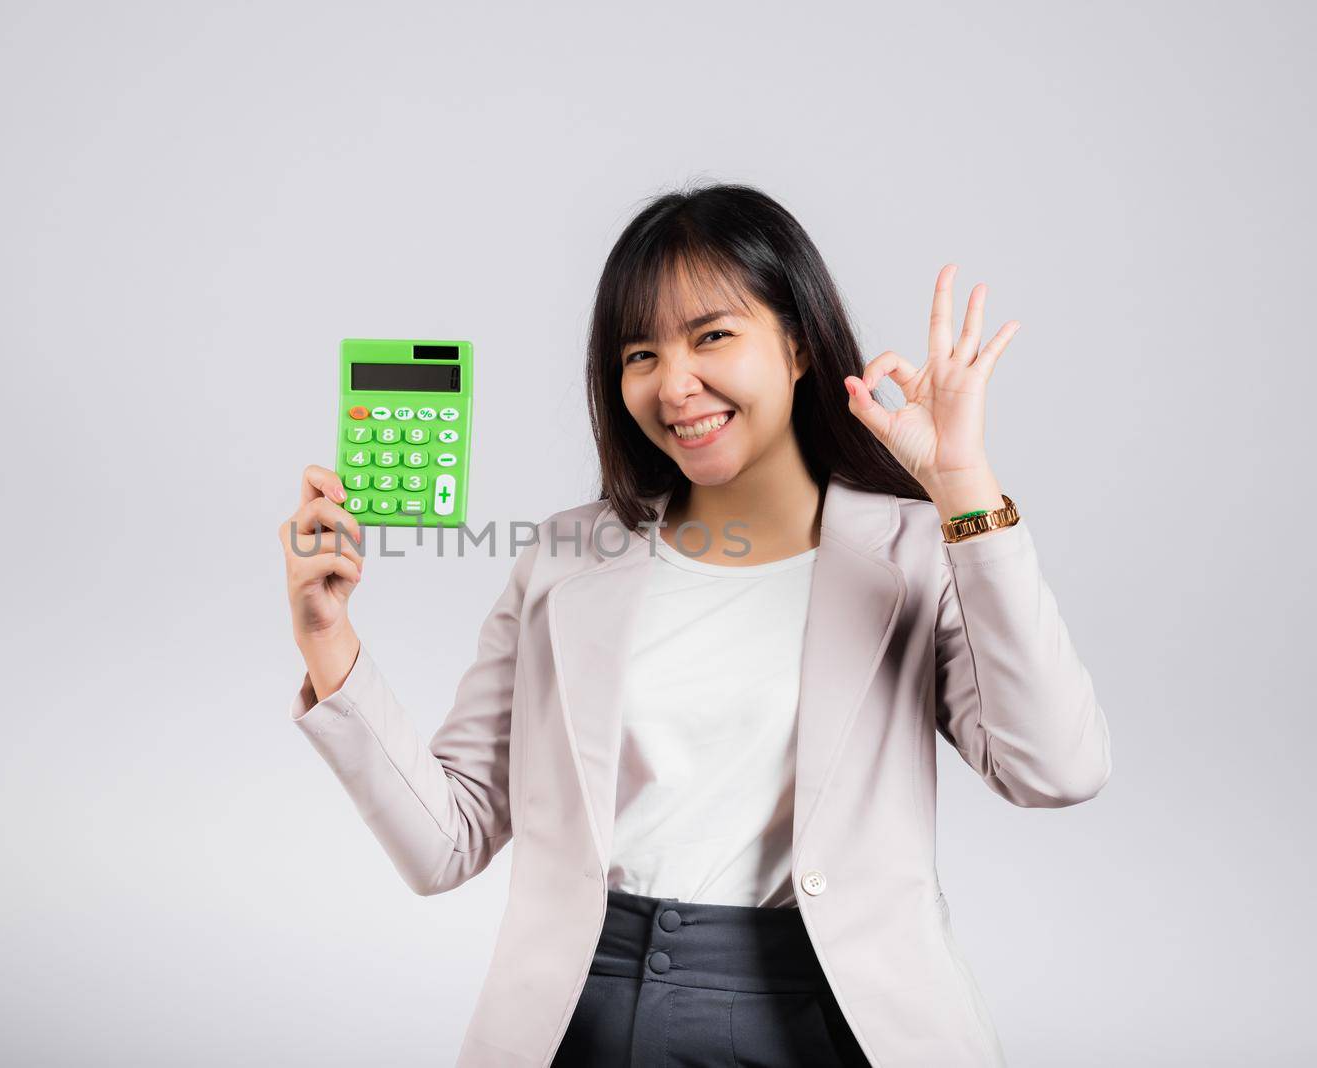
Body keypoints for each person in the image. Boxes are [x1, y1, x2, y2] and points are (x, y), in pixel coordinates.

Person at [278, 182, 1111, 1067]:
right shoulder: (566, 556)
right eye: (640, 354)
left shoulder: (916, 552)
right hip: (582, 1014)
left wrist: (965, 490)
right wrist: (327, 637)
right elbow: (445, 841)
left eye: (712, 335)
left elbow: (1055, 768)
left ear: (797, 344)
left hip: (828, 1015)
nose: (675, 386)